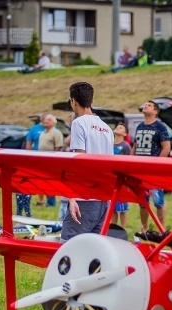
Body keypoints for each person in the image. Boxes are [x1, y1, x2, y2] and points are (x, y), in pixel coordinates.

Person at [62, 82, 114, 242]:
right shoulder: (107, 128)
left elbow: (80, 161)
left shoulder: (79, 123)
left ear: (73, 101)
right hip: (103, 199)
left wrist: (71, 197)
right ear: (92, 101)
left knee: (67, 250)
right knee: (92, 253)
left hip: (84, 197)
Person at [132, 100, 171, 232]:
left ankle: (161, 229)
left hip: (153, 170)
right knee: (142, 202)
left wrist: (157, 164)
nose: (145, 106)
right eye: (144, 105)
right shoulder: (139, 126)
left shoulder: (160, 127)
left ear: (155, 111)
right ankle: (144, 228)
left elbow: (166, 147)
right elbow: (135, 146)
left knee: (158, 201)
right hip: (139, 169)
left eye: (149, 105)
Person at [38, 113, 64, 207]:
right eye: (45, 120)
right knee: (42, 181)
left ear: (53, 122)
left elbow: (59, 147)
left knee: (50, 181)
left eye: (49, 120)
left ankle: (51, 202)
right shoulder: (43, 132)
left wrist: (53, 160)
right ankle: (42, 201)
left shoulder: (56, 132)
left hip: (51, 161)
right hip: (42, 160)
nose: (46, 121)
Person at [111, 123, 132, 228]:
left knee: (122, 207)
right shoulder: (109, 144)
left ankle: (123, 228)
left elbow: (129, 163)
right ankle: (113, 228)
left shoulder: (126, 147)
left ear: (125, 133)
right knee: (112, 207)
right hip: (111, 179)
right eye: (117, 126)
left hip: (122, 180)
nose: (117, 128)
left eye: (121, 127)